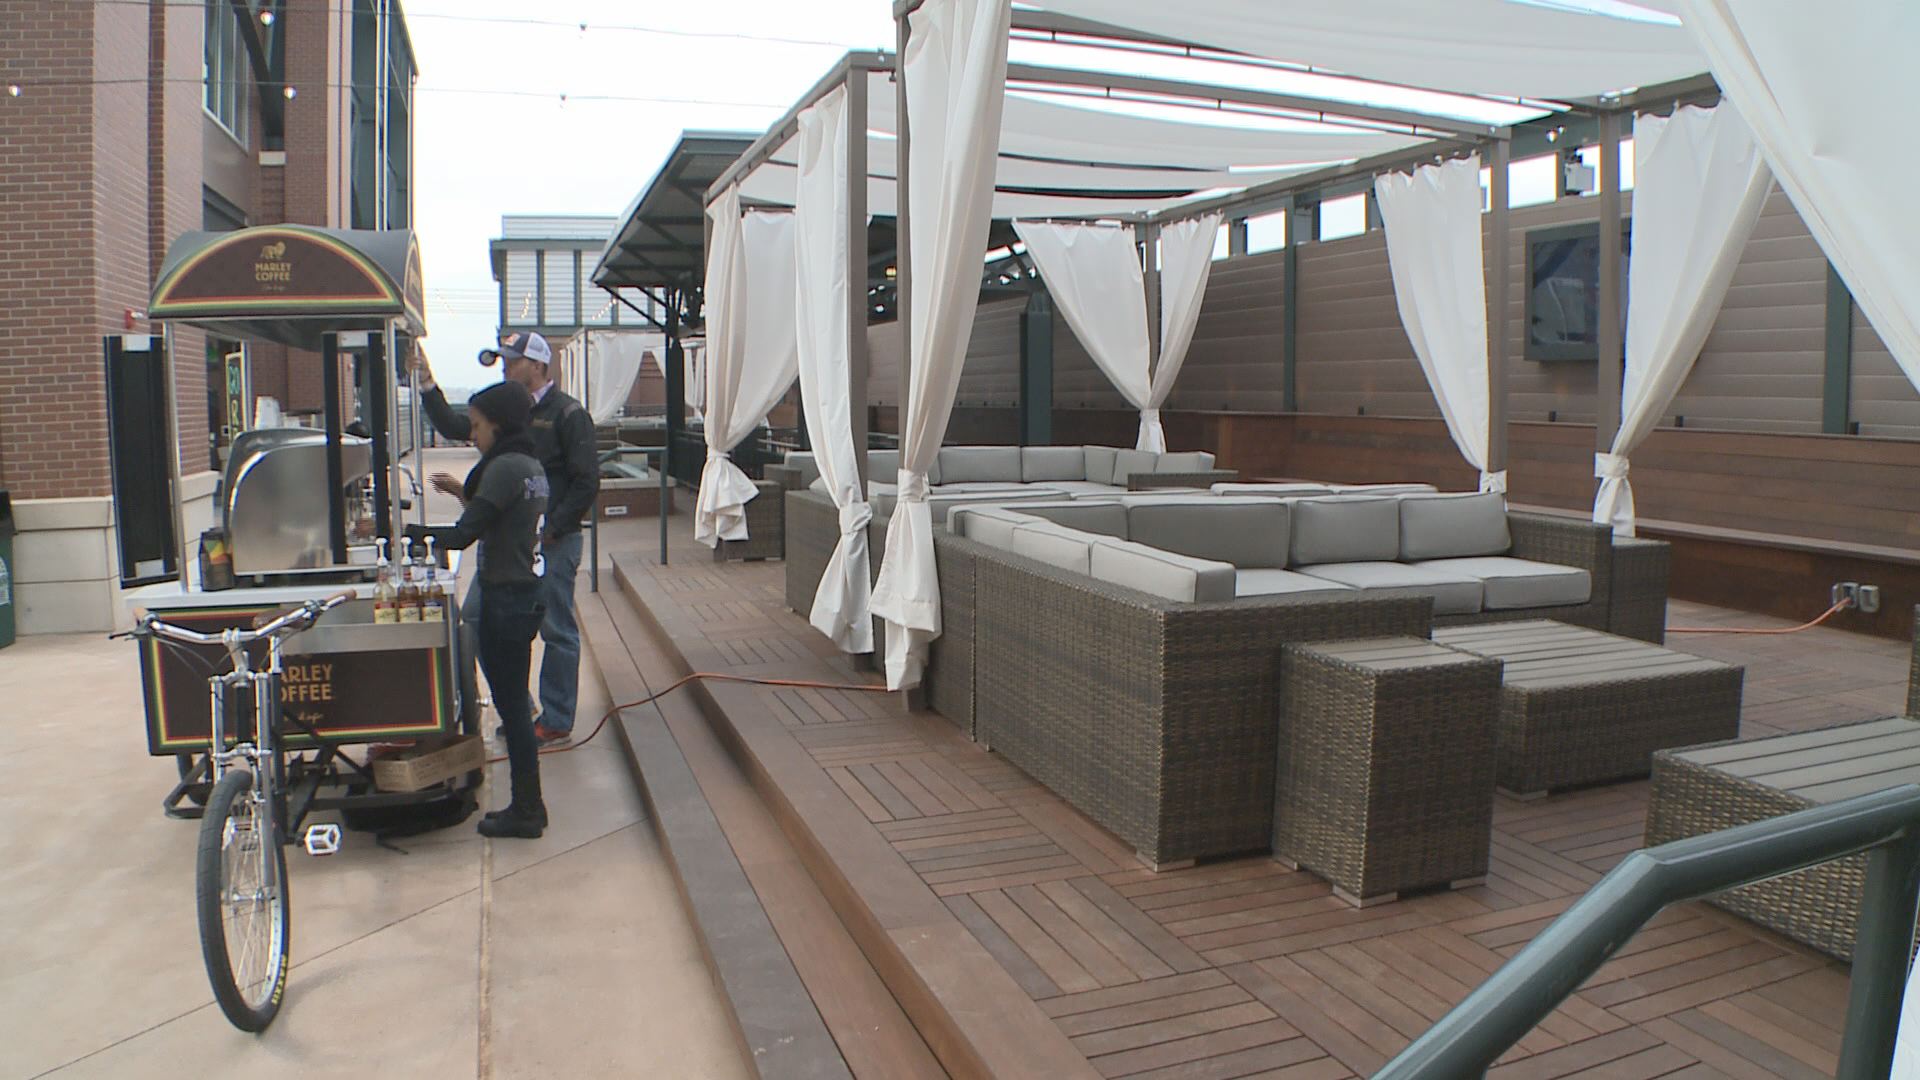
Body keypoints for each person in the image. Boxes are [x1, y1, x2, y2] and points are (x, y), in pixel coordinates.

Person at [414, 332, 598, 747]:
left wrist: (553, 528)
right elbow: (457, 424)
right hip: (507, 544)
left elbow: (586, 479)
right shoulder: (506, 412)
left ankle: (556, 717)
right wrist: (427, 384)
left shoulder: (567, 414)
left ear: (538, 365)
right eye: (503, 360)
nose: (505, 367)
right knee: (476, 617)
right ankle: (521, 707)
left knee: (555, 626)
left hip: (551, 542)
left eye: (512, 361)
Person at [406, 381, 549, 839]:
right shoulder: (529, 465)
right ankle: (530, 806)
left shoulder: (505, 468)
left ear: (499, 424)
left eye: (476, 426)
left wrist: (407, 530)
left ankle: (527, 810)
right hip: (524, 592)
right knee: (513, 705)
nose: (472, 435)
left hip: (506, 600)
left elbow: (463, 535)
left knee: (512, 709)